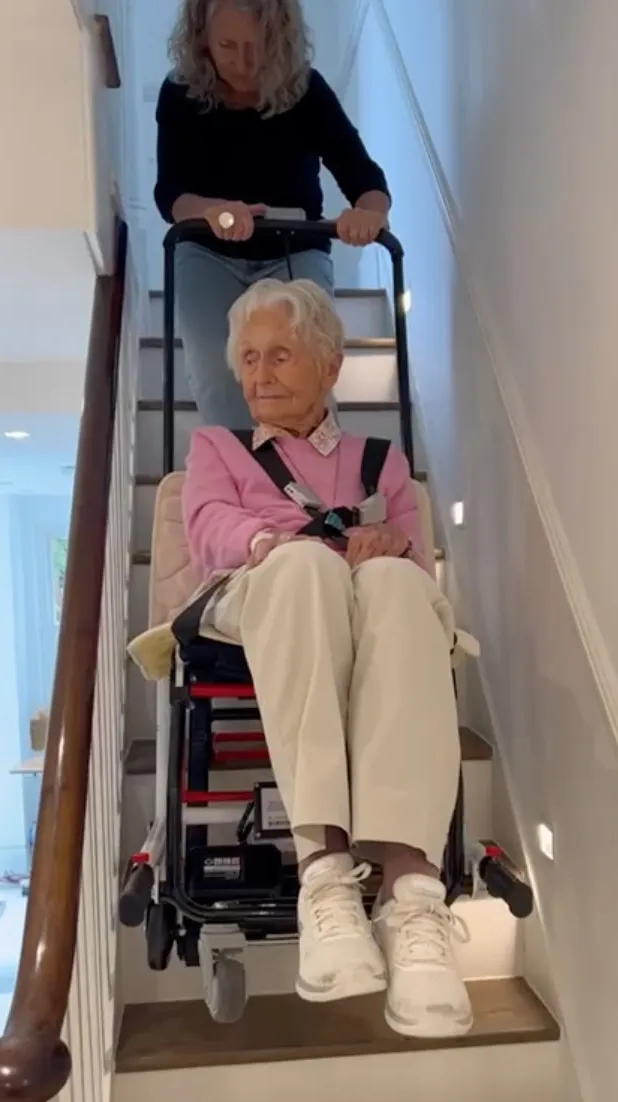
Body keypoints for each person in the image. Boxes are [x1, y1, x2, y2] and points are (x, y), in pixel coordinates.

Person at [129, 278, 472, 1040]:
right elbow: (214, 524)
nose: (258, 374)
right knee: (306, 566)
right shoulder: (216, 448)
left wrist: (393, 545)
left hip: (359, 603)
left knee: (392, 579)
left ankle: (412, 892)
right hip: (258, 595)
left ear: (330, 364)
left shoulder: (381, 462)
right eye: (248, 358)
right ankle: (326, 873)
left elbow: (409, 548)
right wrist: (282, 542)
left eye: (279, 355)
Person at [155, 0, 391, 427]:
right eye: (228, 45)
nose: (243, 62)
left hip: (294, 250)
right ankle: (234, 480)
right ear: (201, 37)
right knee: (217, 366)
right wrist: (213, 211)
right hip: (208, 254)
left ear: (279, 39)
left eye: (257, 46)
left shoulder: (308, 91)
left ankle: (315, 480)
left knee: (306, 361)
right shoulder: (179, 95)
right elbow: (170, 195)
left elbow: (367, 181)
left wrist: (368, 215)